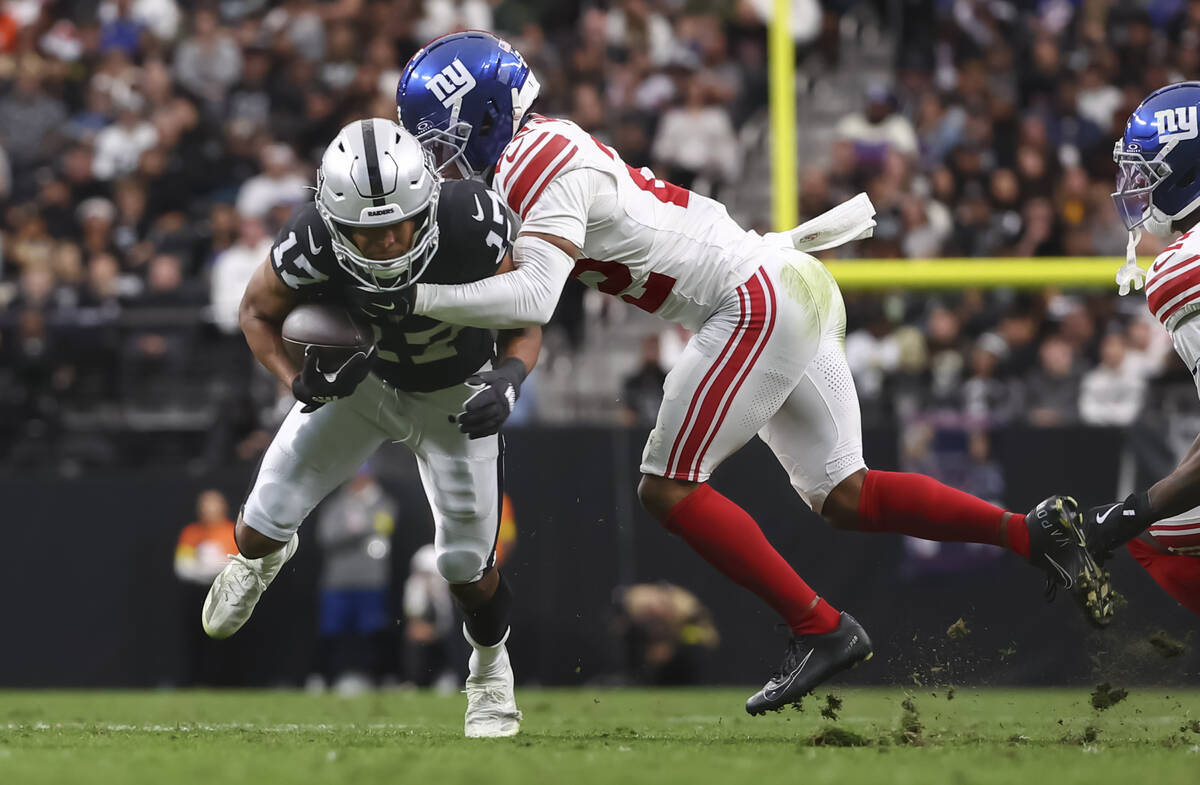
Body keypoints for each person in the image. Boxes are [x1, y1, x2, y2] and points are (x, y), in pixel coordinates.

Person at [392, 31, 1114, 715]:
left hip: (751, 299)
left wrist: (408, 298)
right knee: (845, 494)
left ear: (488, 117)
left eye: (442, 141)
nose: (439, 162)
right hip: (781, 281)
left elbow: (533, 297)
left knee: (666, 486)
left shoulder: (532, 161)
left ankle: (820, 627)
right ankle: (1029, 533)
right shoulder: (536, 153)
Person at [201, 118, 540, 737]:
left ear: (426, 205)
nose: (384, 242)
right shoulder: (310, 238)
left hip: (454, 395)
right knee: (255, 529)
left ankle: (490, 672)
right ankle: (263, 560)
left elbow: (526, 314)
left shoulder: (470, 219)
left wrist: (511, 377)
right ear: (335, 220)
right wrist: (293, 380)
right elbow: (255, 312)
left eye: (396, 226)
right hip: (363, 387)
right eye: (366, 230)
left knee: (465, 566)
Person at [1075, 82, 1200, 617]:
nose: (1135, 186)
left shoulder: (1184, 266)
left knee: (1156, 537)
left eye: (1146, 171)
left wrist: (1132, 512)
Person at [313, 464, 397, 694]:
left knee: (372, 632)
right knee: (331, 631)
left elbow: (385, 527)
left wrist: (356, 529)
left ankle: (374, 678)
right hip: (337, 581)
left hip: (371, 580)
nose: (357, 483)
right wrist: (359, 531)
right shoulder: (336, 505)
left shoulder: (383, 503)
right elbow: (327, 536)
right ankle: (324, 677)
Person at [174, 489, 238, 685]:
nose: (208, 509)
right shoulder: (191, 532)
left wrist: (206, 567)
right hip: (197, 594)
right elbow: (182, 567)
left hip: (226, 594)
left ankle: (225, 683)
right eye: (205, 505)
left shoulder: (232, 531)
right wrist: (209, 568)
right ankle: (195, 682)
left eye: (213, 504)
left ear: (223, 507)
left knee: (224, 641)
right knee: (195, 640)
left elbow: (237, 565)